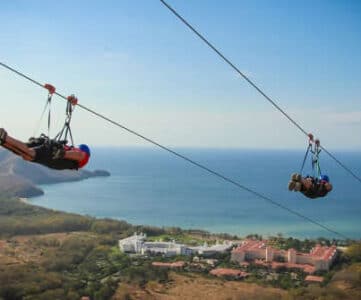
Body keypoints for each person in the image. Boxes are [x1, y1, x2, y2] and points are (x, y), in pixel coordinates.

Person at [0, 128, 90, 170]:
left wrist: (63, 153)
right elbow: (80, 155)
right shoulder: (83, 156)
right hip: (52, 152)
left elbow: (79, 155)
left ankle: (3, 141)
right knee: (29, 154)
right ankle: (5, 138)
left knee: (25, 152)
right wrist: (63, 154)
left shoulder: (75, 152)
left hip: (49, 146)